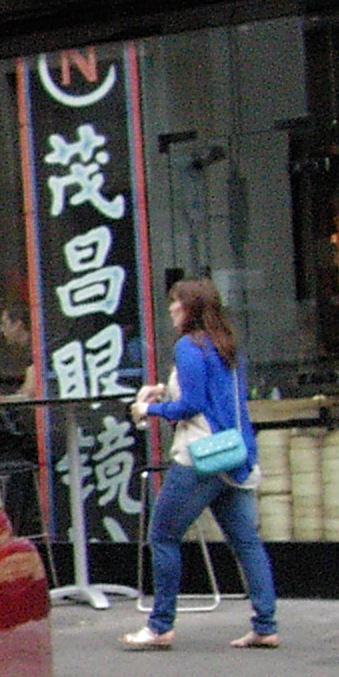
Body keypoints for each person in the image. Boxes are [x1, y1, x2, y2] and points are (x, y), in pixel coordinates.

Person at [124, 277, 279, 651]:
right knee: (246, 542)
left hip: (200, 457)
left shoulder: (187, 347)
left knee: (162, 536)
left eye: (176, 302)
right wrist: (167, 391)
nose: (171, 309)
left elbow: (191, 405)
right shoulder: (227, 347)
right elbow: (217, 398)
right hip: (234, 456)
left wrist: (150, 408)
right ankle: (265, 623)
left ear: (190, 307)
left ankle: (160, 625)